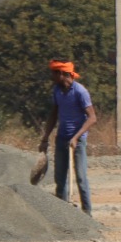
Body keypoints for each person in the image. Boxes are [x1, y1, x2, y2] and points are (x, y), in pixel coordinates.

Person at [39, 60, 96, 213]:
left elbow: (92, 118)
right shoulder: (57, 91)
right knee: (60, 179)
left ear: (62, 74)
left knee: (81, 178)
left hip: (78, 140)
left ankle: (87, 214)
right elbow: (54, 114)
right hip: (62, 138)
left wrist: (76, 137)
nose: (51, 76)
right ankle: (63, 215)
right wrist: (45, 138)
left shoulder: (80, 92)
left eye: (53, 73)